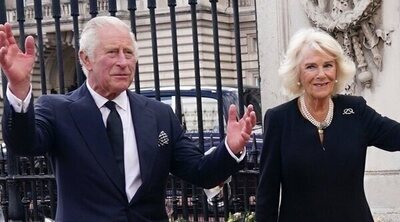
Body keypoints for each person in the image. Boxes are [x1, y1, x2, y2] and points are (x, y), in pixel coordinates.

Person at [0, 16, 256, 221]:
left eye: (128, 53)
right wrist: (20, 88)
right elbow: (23, 143)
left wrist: (230, 149)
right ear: (85, 59)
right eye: (112, 52)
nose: (123, 62)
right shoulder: (58, 110)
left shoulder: (158, 115)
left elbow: (201, 172)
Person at [255, 28, 400, 222]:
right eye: (311, 67)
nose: (321, 74)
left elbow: (396, 136)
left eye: (328, 65)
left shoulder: (355, 110)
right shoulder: (279, 119)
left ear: (337, 70)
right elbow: (267, 194)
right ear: (297, 73)